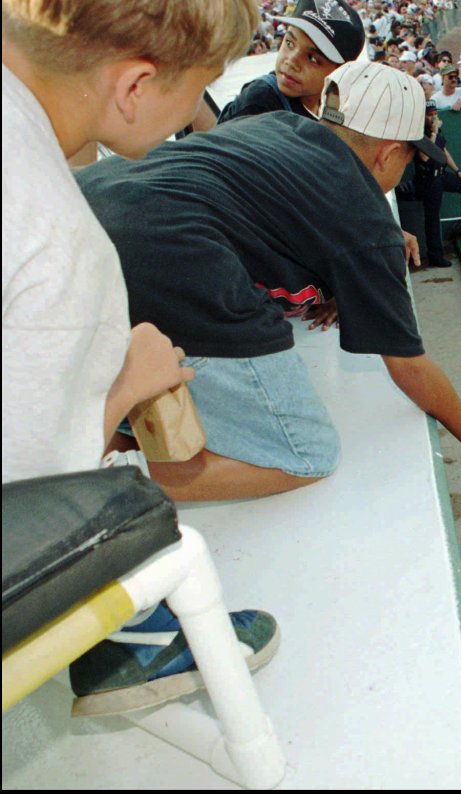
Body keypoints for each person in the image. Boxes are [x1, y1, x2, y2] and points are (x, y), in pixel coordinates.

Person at [77, 62, 461, 502]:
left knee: (150, 406)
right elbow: (408, 366)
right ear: (389, 153)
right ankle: (99, 482)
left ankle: (107, 440)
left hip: (87, 209)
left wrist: (342, 280)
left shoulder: (280, 124)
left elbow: (263, 203)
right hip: (168, 258)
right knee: (305, 455)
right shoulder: (367, 223)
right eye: (411, 157)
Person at [2, 0, 279, 716]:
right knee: (134, 498)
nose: (194, 112)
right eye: (197, 88)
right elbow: (31, 516)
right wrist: (124, 385)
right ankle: (140, 651)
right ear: (135, 86)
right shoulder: (60, 244)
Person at [217, 0, 365, 122]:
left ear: (340, 72)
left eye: (312, 58)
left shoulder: (333, 109)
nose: (291, 61)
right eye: (289, 43)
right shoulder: (261, 102)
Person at [397, 99, 461, 268]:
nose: (433, 117)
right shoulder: (419, 132)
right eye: (430, 115)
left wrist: (458, 171)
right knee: (432, 218)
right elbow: (424, 157)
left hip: (441, 175)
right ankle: (435, 256)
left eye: (434, 114)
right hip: (427, 181)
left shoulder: (436, 131)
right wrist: (434, 133)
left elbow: (443, 151)